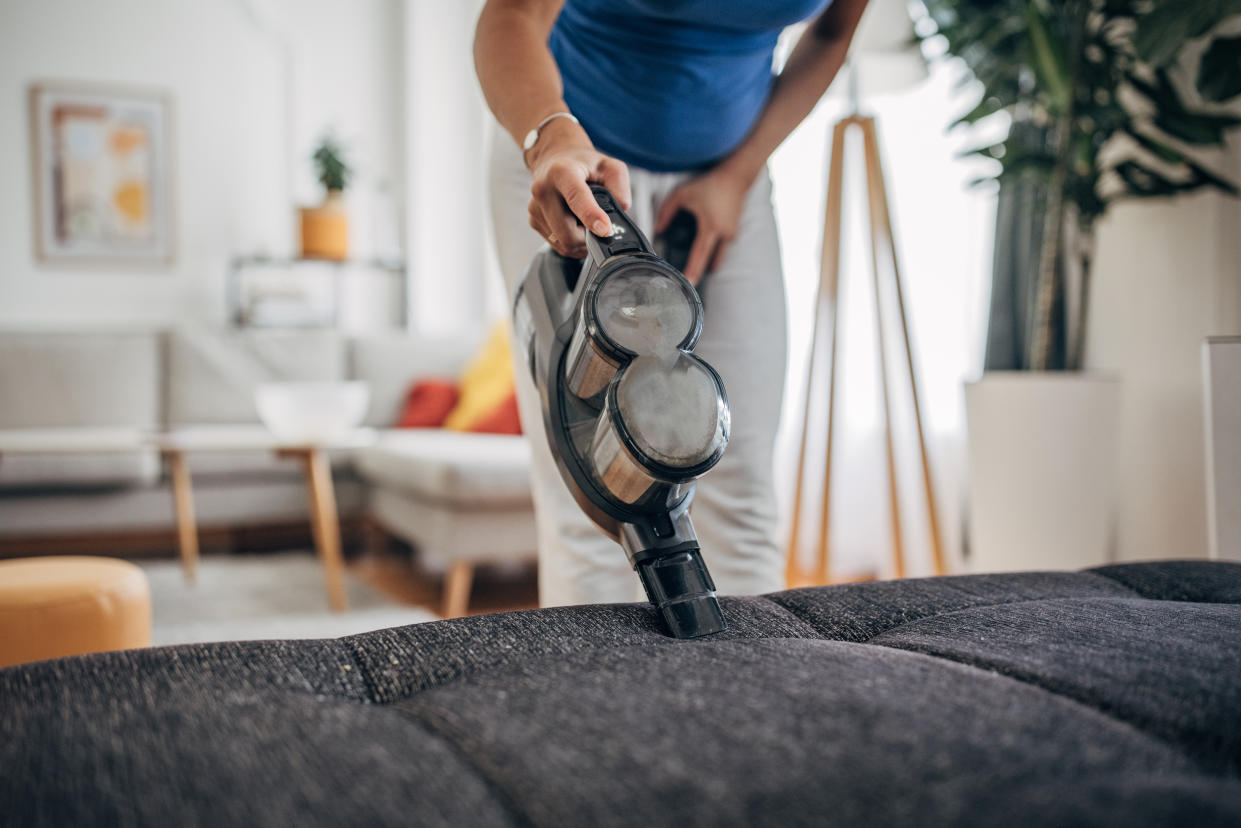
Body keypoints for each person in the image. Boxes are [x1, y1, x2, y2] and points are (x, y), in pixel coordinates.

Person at [475, 0, 870, 607]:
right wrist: (549, 136)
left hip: (726, 173)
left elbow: (834, 31)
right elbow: (513, 15)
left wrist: (736, 176)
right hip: (570, 164)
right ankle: (602, 697)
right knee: (593, 488)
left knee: (741, 482)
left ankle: (752, 688)